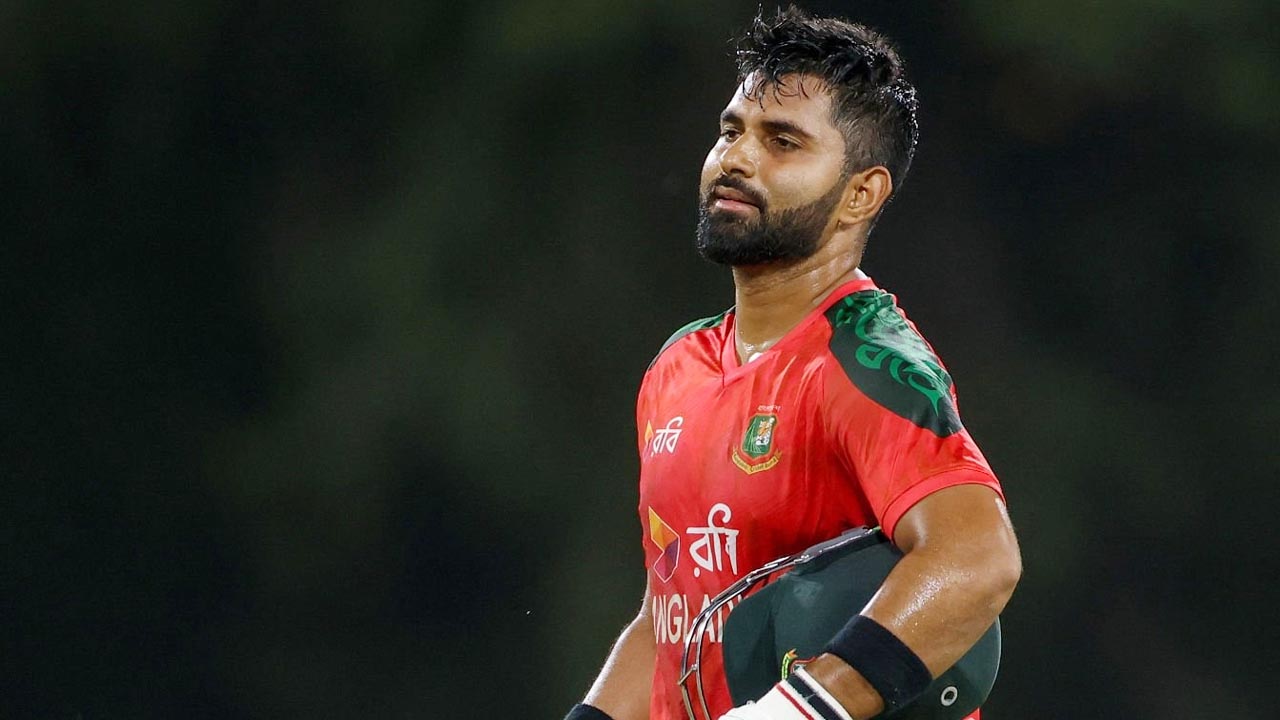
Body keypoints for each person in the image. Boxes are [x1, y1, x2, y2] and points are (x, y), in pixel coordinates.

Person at [564, 7, 1022, 720]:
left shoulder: (867, 361)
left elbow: (978, 559)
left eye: (782, 141)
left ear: (861, 193)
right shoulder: (678, 367)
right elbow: (671, 621)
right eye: (731, 131)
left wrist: (798, 709)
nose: (737, 159)